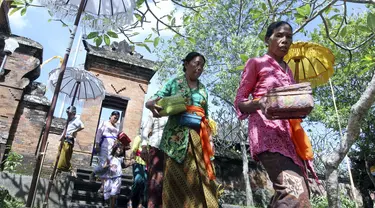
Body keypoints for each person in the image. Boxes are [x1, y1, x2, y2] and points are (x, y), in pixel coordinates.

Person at [234, 21, 312, 207]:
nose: (285, 40)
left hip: (289, 138)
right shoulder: (257, 63)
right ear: (267, 39)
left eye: (289, 37)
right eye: (279, 35)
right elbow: (240, 102)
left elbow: (292, 109)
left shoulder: (288, 71)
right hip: (267, 136)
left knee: (293, 193)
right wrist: (260, 103)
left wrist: (301, 102)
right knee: (294, 193)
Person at [145, 52, 219, 208]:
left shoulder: (203, 89)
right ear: (186, 63)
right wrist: (151, 104)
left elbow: (207, 116)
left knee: (197, 181)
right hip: (175, 139)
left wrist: (210, 141)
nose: (199, 68)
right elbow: (154, 99)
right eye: (196, 63)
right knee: (174, 181)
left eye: (202, 66)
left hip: (198, 140)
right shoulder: (174, 83)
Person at [141, 111, 168, 208]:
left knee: (166, 186)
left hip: (171, 151)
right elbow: (146, 129)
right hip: (156, 148)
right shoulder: (155, 108)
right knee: (154, 184)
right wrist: (144, 147)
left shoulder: (176, 108)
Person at [90, 111, 120, 188]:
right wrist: (97, 143)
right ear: (111, 116)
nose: (115, 120)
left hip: (112, 148)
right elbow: (99, 133)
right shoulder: (105, 123)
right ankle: (93, 173)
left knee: (110, 165)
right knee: (103, 164)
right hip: (104, 145)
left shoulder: (116, 128)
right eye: (114, 117)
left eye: (117, 119)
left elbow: (117, 138)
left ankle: (103, 185)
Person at [57, 106, 84, 177]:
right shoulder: (68, 120)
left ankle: (68, 168)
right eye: (67, 113)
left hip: (69, 140)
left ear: (73, 114)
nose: (68, 115)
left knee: (65, 154)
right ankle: (58, 169)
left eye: (70, 113)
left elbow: (82, 126)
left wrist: (75, 131)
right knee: (59, 154)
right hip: (64, 138)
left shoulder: (76, 120)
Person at [102, 142, 129, 208]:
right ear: (115, 148)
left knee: (113, 196)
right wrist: (109, 165)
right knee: (107, 197)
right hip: (109, 179)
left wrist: (130, 163)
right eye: (118, 148)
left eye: (121, 149)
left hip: (117, 179)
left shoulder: (121, 159)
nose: (119, 150)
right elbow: (104, 167)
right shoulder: (110, 157)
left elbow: (124, 165)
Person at [128, 134, 148, 208]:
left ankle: (141, 203)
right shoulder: (139, 137)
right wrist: (132, 159)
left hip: (147, 164)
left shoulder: (152, 139)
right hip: (138, 162)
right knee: (137, 180)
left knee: (145, 184)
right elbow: (133, 150)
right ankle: (131, 200)